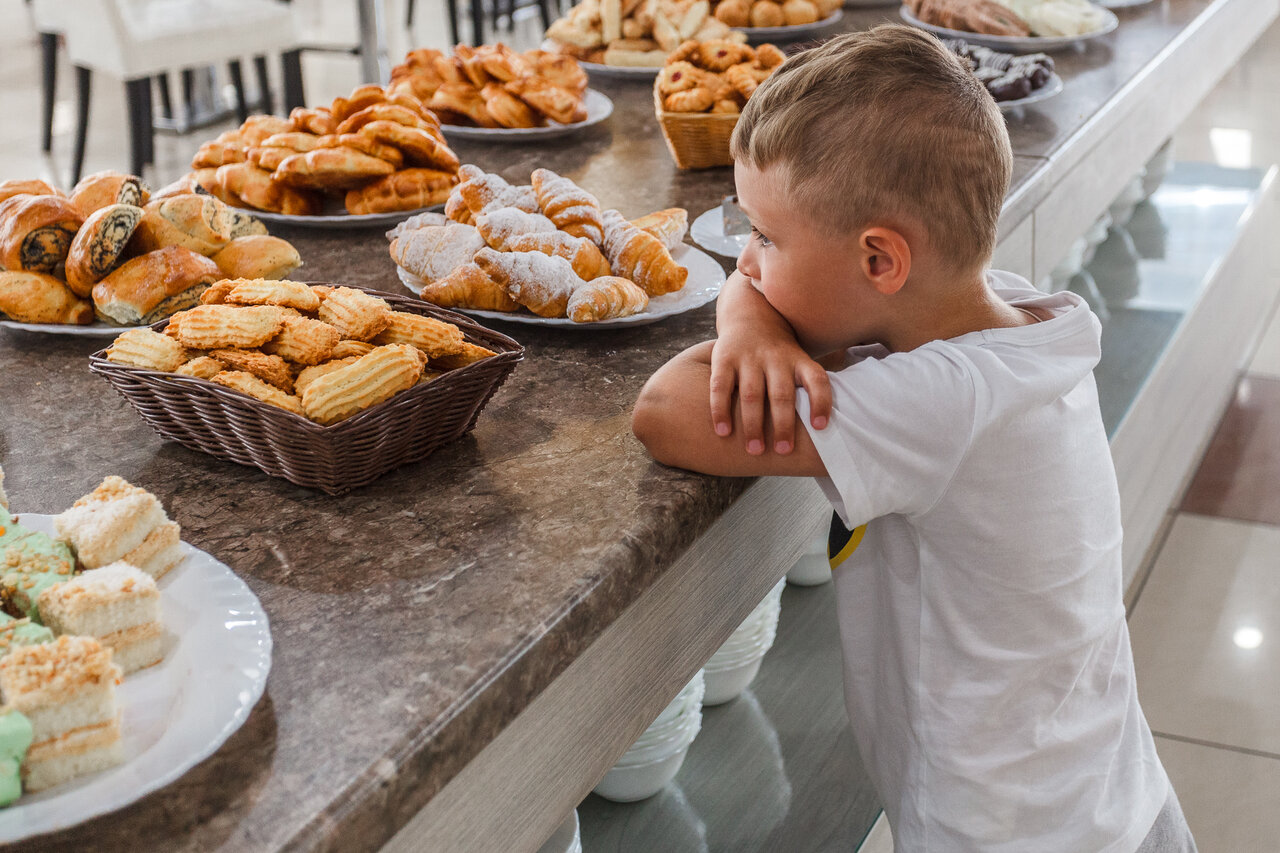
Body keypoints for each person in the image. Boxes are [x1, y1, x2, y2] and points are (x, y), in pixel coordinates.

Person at [632, 25, 1195, 852]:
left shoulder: (937, 401)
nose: (748, 262)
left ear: (881, 261)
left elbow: (666, 411)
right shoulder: (1000, 315)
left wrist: (742, 315)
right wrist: (764, 296)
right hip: (1111, 800)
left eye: (765, 237)